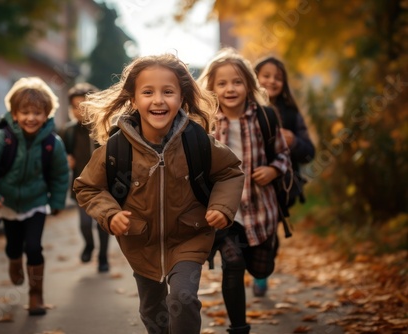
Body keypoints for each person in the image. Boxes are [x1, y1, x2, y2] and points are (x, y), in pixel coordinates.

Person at [73, 53, 245, 334]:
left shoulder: (196, 141)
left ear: (182, 97)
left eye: (168, 92)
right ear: (133, 99)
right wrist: (111, 213)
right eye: (148, 92)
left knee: (183, 297)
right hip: (141, 242)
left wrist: (221, 207)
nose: (158, 100)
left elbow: (230, 172)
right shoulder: (118, 148)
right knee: (153, 313)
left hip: (190, 235)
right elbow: (88, 186)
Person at [197, 48, 291, 334]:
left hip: (262, 210)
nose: (230, 88)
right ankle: (239, 328)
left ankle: (262, 270)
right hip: (227, 213)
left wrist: (274, 169)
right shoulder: (205, 123)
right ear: (211, 87)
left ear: (248, 85)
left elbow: (284, 156)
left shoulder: (265, 117)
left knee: (262, 268)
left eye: (237, 82)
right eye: (222, 83)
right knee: (232, 263)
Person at [0, 77, 69, 316]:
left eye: (37, 112)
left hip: (36, 203)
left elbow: (60, 174)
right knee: (14, 247)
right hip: (6, 203)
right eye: (24, 112)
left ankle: (36, 296)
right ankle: (14, 262)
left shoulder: (52, 143)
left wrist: (56, 201)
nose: (31, 118)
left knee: (33, 247)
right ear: (14, 114)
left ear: (46, 114)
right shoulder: (1, 139)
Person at [252, 56, 315, 297]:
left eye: (278, 77)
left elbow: (309, 152)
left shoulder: (290, 113)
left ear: (284, 83)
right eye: (266, 75)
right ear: (254, 78)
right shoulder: (243, 107)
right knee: (243, 234)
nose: (271, 81)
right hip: (247, 183)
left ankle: (261, 272)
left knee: (269, 235)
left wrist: (295, 141)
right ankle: (242, 266)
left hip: (280, 187)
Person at [61, 82, 111, 273]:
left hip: (103, 187)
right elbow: (62, 153)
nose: (79, 111)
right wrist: (67, 159)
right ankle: (89, 245)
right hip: (81, 186)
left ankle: (103, 258)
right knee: (84, 224)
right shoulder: (68, 132)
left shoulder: (104, 130)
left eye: (84, 106)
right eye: (75, 107)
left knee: (102, 224)